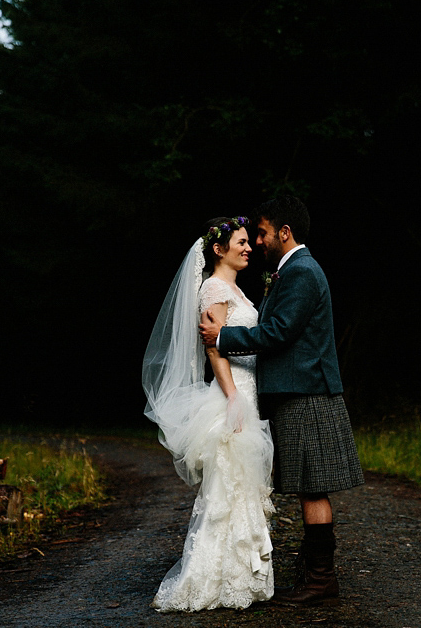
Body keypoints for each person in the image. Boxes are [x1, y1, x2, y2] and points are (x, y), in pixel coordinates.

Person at [200, 196, 364, 607]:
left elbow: (279, 332)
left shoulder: (302, 272)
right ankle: (315, 575)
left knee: (313, 487)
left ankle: (321, 581)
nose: (258, 241)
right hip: (298, 392)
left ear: (284, 233)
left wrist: (223, 338)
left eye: (263, 232)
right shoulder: (290, 271)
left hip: (308, 394)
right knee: (309, 486)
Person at [142, 216, 275, 612]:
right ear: (219, 249)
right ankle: (209, 580)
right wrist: (233, 396)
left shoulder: (235, 289)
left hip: (247, 392)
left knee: (244, 485)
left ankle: (243, 579)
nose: (249, 247)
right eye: (241, 241)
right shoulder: (215, 288)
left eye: (250, 241)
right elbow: (213, 349)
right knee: (227, 488)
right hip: (233, 393)